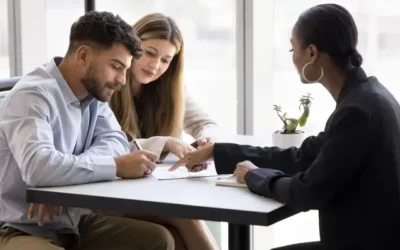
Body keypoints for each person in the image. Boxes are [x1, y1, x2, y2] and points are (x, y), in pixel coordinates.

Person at [171, 4, 400, 250]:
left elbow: (307, 192)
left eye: (293, 47)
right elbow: (302, 157)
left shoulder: (356, 111)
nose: (291, 57)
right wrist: (217, 152)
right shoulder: (368, 97)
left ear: (312, 53)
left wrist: (253, 176)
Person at [0, 11, 175, 250]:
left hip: (71, 223)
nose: (122, 80)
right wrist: (116, 166)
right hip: (17, 228)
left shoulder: (94, 96)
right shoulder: (33, 96)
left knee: (159, 239)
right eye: (116, 66)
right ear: (83, 55)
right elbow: (39, 167)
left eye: (125, 69)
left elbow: (116, 141)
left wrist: (58, 184)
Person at [109, 13, 219, 250]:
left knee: (177, 241)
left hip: (150, 193)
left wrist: (206, 140)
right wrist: (165, 142)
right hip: (110, 196)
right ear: (131, 45)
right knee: (186, 217)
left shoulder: (169, 89)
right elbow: (111, 150)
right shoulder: (109, 84)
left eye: (166, 60)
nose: (155, 66)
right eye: (149, 53)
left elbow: (205, 122)